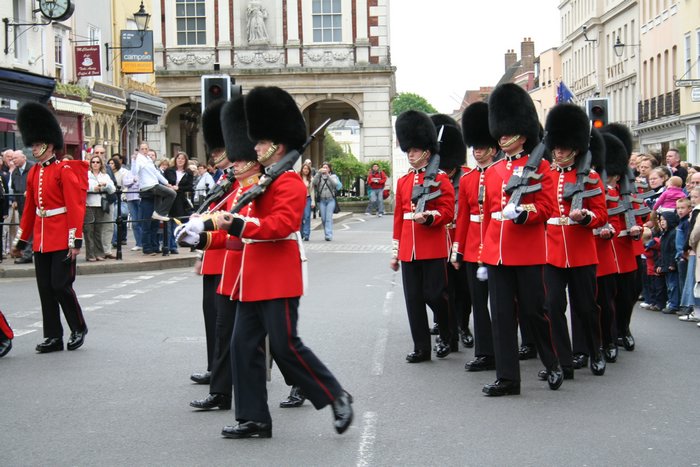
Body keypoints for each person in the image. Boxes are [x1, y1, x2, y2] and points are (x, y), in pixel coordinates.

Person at [199, 86, 353, 438]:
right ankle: (253, 418)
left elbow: (278, 226)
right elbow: (236, 230)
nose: (253, 148)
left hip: (279, 278)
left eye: (260, 142)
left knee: (285, 346)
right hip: (251, 281)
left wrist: (235, 223)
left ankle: (336, 396)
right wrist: (203, 238)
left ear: (276, 146)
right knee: (242, 347)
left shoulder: (289, 183)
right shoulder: (260, 183)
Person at [480, 83, 563, 396]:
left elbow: (546, 207)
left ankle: (552, 361)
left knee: (534, 312)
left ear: (522, 132)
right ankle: (508, 378)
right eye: (499, 131)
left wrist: (523, 213)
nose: (502, 137)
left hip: (527, 252)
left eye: (508, 131)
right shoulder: (494, 170)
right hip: (497, 253)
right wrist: (483, 251)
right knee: (500, 316)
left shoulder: (541, 168)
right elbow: (488, 212)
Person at [184, 95, 262, 412]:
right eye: (215, 151)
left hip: (248, 263)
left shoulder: (250, 181)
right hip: (223, 259)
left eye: (221, 151)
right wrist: (198, 241)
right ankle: (220, 387)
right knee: (220, 325)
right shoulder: (228, 180)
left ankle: (295, 381)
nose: (218, 157)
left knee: (269, 336)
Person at [11, 102, 88, 353]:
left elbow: (75, 207)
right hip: (42, 238)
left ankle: (78, 327)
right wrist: (22, 240)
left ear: (50, 145)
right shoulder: (34, 173)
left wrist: (75, 240)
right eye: (32, 145)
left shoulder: (64, 170)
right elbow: (30, 210)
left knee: (60, 286)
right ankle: (53, 335)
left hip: (61, 237)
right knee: (45, 289)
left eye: (37, 144)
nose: (34, 148)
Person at [540, 103, 608, 381]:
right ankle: (562, 361)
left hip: (580, 250)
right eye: (556, 146)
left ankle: (595, 350)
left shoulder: (589, 177)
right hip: (551, 251)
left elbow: (602, 214)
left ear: (576, 148)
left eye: (564, 147)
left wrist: (585, 217)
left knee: (586, 307)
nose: (559, 151)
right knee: (552, 307)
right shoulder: (545, 174)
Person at [391, 110, 455, 363]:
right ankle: (421, 347)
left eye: (415, 150)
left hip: (432, 246)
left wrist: (429, 218)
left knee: (434, 295)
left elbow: (448, 212)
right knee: (413, 300)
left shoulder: (440, 179)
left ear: (427, 152)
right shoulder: (404, 182)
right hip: (409, 247)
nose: (411, 154)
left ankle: (446, 330)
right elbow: (398, 218)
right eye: (409, 151)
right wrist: (396, 251)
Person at [452, 101, 498, 371]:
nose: (477, 152)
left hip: (495, 248)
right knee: (478, 304)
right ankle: (484, 352)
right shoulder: (468, 179)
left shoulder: (501, 176)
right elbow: (462, 218)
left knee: (502, 304)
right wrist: (458, 249)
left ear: (492, 150)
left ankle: (503, 344)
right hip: (472, 249)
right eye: (475, 148)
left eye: (481, 148)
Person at [132, 142, 176, 223]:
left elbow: (156, 173)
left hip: (154, 184)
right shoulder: (139, 159)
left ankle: (159, 213)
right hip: (149, 186)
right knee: (172, 194)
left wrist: (167, 183)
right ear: (139, 150)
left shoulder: (148, 159)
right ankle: (160, 213)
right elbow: (134, 172)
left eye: (146, 149)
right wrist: (134, 161)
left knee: (165, 195)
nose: (144, 151)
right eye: (142, 149)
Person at [84, 155, 116, 261]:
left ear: (101, 164)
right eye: (93, 162)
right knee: (89, 231)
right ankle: (90, 254)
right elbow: (82, 187)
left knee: (98, 230)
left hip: (100, 205)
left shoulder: (105, 176)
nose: (95, 164)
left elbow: (113, 189)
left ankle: (99, 253)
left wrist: (105, 185)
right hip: (88, 204)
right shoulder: (86, 175)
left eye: (98, 162)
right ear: (90, 163)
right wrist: (94, 188)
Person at [164, 152, 194, 254]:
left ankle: (174, 245)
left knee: (177, 223)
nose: (180, 160)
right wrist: (170, 186)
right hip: (169, 198)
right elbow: (165, 181)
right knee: (168, 222)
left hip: (180, 199)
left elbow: (190, 187)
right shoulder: (169, 170)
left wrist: (179, 188)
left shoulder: (189, 172)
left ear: (185, 161)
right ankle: (168, 245)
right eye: (178, 158)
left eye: (182, 159)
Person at [10, 149, 34, 264]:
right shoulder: (15, 172)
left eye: (15, 158)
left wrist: (30, 191)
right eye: (12, 159)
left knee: (32, 230)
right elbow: (14, 187)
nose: (13, 161)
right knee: (24, 230)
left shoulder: (33, 168)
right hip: (20, 205)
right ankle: (26, 253)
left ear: (23, 157)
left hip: (33, 205)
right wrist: (14, 199)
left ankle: (28, 254)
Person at [313, 162, 341, 241]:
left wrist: (328, 175)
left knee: (328, 218)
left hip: (330, 200)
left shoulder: (333, 176)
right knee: (323, 219)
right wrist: (318, 173)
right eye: (323, 167)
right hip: (322, 200)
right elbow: (314, 183)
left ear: (329, 169)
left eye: (326, 167)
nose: (325, 169)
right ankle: (327, 232)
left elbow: (335, 184)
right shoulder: (319, 176)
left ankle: (328, 235)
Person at [108, 156, 130, 249]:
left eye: (112, 163)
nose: (110, 165)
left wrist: (123, 195)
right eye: (109, 163)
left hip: (120, 198)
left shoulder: (122, 173)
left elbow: (125, 186)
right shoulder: (107, 174)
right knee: (116, 218)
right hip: (112, 198)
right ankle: (115, 240)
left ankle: (121, 238)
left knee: (121, 218)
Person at [299, 163, 315, 241]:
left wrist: (313, 201)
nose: (306, 170)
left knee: (307, 216)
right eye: (304, 168)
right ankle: (300, 233)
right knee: (300, 217)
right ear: (302, 169)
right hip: (299, 200)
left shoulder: (311, 179)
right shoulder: (298, 178)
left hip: (307, 199)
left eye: (307, 169)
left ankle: (306, 234)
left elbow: (312, 191)